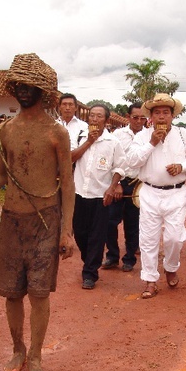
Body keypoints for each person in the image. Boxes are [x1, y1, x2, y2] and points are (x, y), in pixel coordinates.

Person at [0, 53, 75, 371]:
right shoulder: (5, 130)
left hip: (45, 219)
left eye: (29, 86)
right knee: (12, 292)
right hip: (11, 220)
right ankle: (17, 347)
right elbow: (1, 175)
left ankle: (36, 354)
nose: (23, 90)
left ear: (42, 91)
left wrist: (66, 232)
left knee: (39, 293)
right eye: (18, 85)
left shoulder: (57, 133)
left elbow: (68, 185)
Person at [126, 93, 186, 299]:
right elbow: (132, 162)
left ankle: (171, 266)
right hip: (150, 192)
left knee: (174, 238)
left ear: (172, 115)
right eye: (157, 113)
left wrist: (182, 166)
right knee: (148, 239)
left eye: (166, 113)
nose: (162, 117)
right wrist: (151, 143)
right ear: (150, 116)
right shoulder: (142, 136)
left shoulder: (183, 135)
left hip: (176, 193)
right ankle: (150, 279)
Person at [71, 104, 126, 289]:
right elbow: (70, 158)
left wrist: (112, 187)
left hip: (100, 195)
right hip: (79, 193)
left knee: (97, 235)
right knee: (80, 233)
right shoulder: (80, 136)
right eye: (92, 116)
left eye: (98, 116)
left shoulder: (113, 143)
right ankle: (90, 260)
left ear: (106, 120)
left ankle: (90, 274)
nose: (94, 119)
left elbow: (119, 167)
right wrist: (88, 142)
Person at [101, 103, 146, 272]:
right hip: (118, 182)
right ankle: (112, 256)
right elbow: (111, 160)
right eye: (135, 117)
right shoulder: (117, 135)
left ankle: (129, 259)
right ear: (128, 117)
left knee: (133, 223)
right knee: (110, 221)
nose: (139, 121)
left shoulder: (150, 136)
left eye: (143, 118)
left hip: (138, 184)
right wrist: (117, 184)